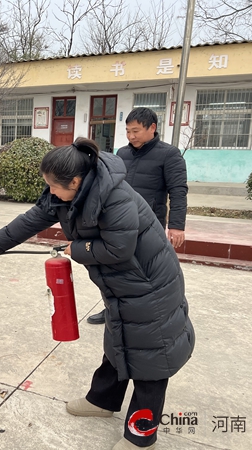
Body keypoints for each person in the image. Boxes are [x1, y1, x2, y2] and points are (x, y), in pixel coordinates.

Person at [0, 137, 195, 450]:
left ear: (75, 181)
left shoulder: (115, 197)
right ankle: (103, 401)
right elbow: (34, 218)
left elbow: (119, 249)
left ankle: (141, 435)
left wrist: (75, 248)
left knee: (151, 360)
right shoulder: (69, 192)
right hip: (122, 286)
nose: (50, 192)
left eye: (54, 186)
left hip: (149, 286)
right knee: (119, 341)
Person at [87, 107, 188, 325]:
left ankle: (151, 313)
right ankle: (112, 310)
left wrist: (177, 225)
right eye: (128, 131)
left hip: (149, 223)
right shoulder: (122, 154)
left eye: (136, 131)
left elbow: (178, 190)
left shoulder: (169, 154)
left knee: (144, 270)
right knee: (113, 269)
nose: (131, 136)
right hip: (118, 221)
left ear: (152, 128)